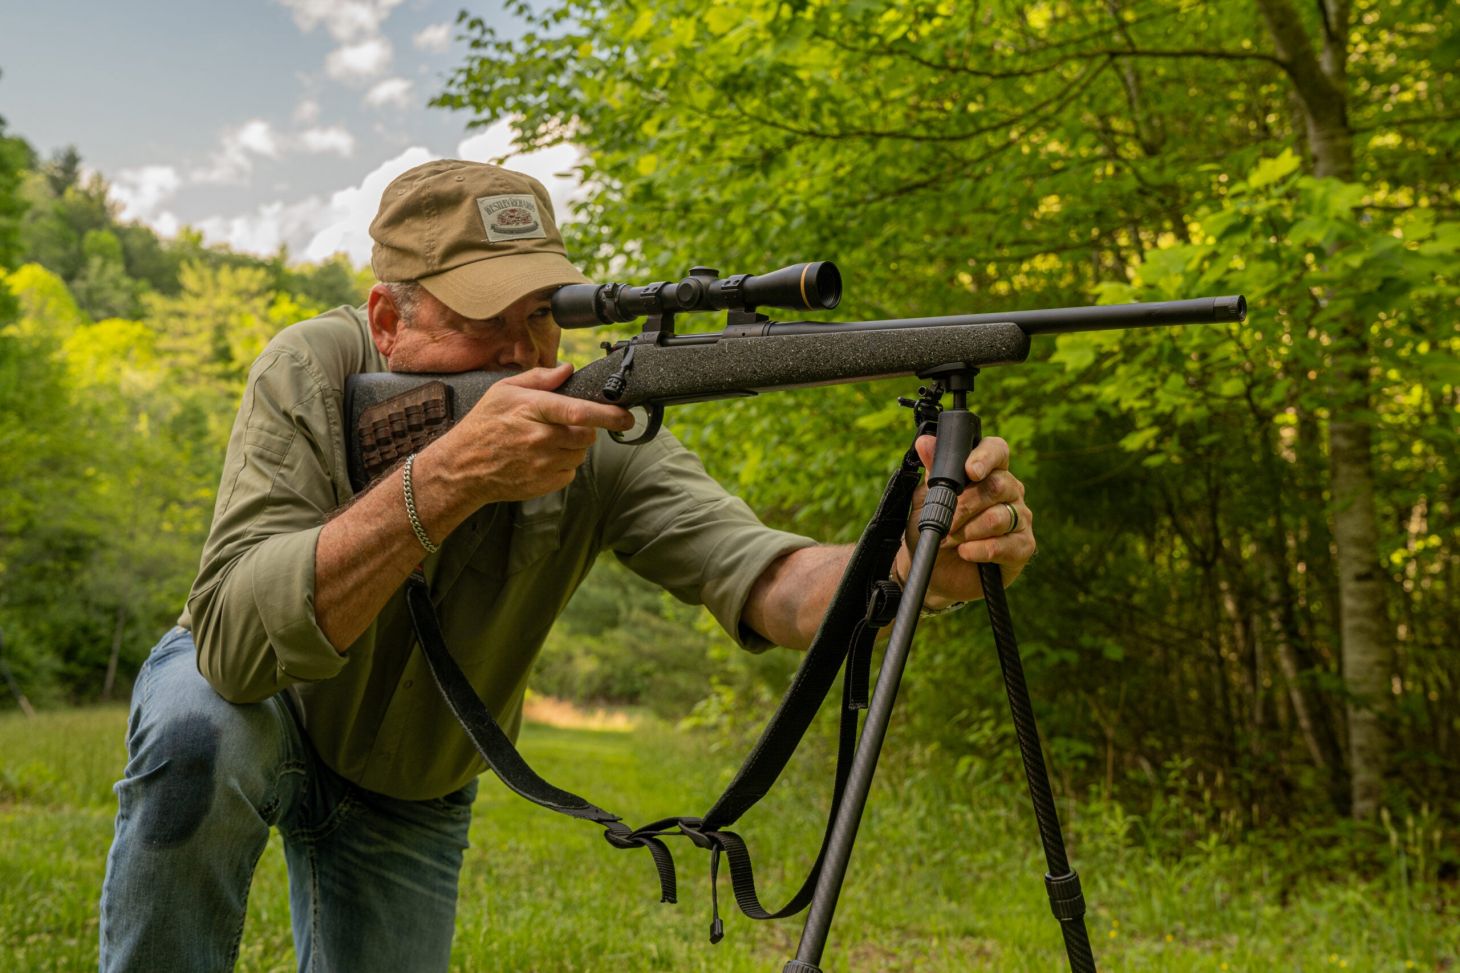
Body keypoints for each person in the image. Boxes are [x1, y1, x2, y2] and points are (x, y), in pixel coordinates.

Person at [97, 160, 1036, 972]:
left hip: (413, 781)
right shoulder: (310, 369)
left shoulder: (594, 422)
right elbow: (230, 643)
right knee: (195, 730)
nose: (521, 354)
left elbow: (766, 578)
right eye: (483, 320)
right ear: (389, 318)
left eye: (543, 316)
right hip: (259, 703)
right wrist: (446, 479)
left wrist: (916, 564)